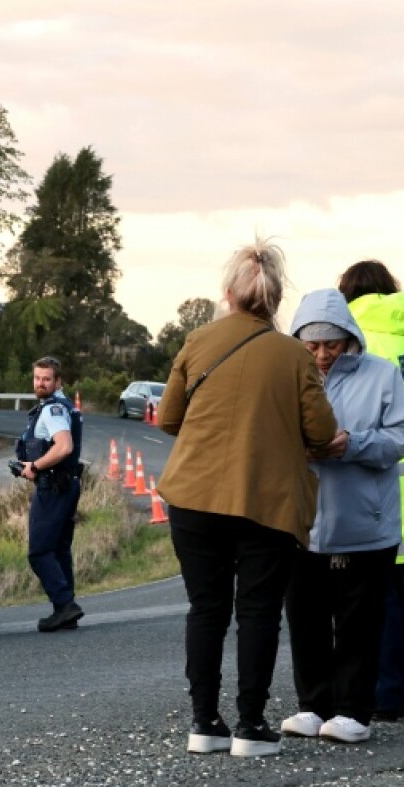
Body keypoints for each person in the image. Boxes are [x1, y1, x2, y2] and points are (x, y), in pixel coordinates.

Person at [156, 239, 338, 758]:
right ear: (275, 301)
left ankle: (204, 723)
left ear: (229, 294)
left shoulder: (197, 340)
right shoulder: (292, 354)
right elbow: (321, 429)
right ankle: (250, 725)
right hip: (266, 501)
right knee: (257, 612)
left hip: (193, 497)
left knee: (205, 610)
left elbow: (169, 419)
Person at [280, 289, 404, 744]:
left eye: (332, 344)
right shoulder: (284, 374)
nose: (322, 355)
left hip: (366, 523)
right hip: (301, 521)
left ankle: (353, 710)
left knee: (360, 621)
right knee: (305, 618)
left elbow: (402, 437)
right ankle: (311, 706)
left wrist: (350, 444)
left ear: (350, 340)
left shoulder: (383, 375)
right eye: (312, 345)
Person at [337, 260, 404, 721]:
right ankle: (394, 691)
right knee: (394, 592)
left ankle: (369, 693)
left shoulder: (363, 343)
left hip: (375, 480)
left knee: (361, 595)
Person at [14, 356, 85, 632]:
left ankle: (65, 603)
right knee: (58, 549)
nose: (40, 383)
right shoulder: (58, 407)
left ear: (58, 381)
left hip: (55, 486)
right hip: (65, 484)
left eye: (46, 379)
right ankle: (64, 609)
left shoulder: (54, 410)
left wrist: (35, 466)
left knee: (39, 551)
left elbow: (64, 446)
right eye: (37, 378)